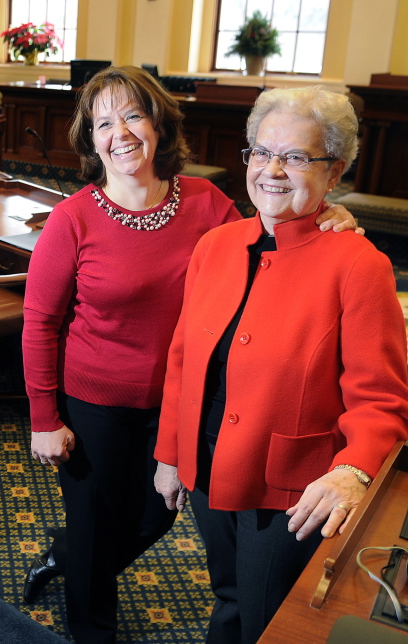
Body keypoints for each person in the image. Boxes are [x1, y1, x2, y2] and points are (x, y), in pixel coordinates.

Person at [21, 67, 359, 644]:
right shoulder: (73, 218)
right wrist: (44, 418)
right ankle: (89, 622)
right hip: (95, 401)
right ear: (90, 138)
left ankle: (72, 558)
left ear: (158, 124)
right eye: (104, 122)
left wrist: (331, 220)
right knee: (95, 528)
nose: (120, 133)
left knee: (157, 515)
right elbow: (40, 323)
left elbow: (266, 245)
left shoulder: (204, 201)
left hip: (183, 402)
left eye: (132, 116)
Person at [153, 86, 408, 644]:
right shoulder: (215, 246)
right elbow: (183, 359)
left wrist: (354, 468)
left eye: (295, 157)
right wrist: (170, 453)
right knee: (227, 594)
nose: (272, 170)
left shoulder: (359, 265)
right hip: (207, 461)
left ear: (334, 171)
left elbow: (382, 398)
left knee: (267, 617)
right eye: (261, 153)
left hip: (291, 490)